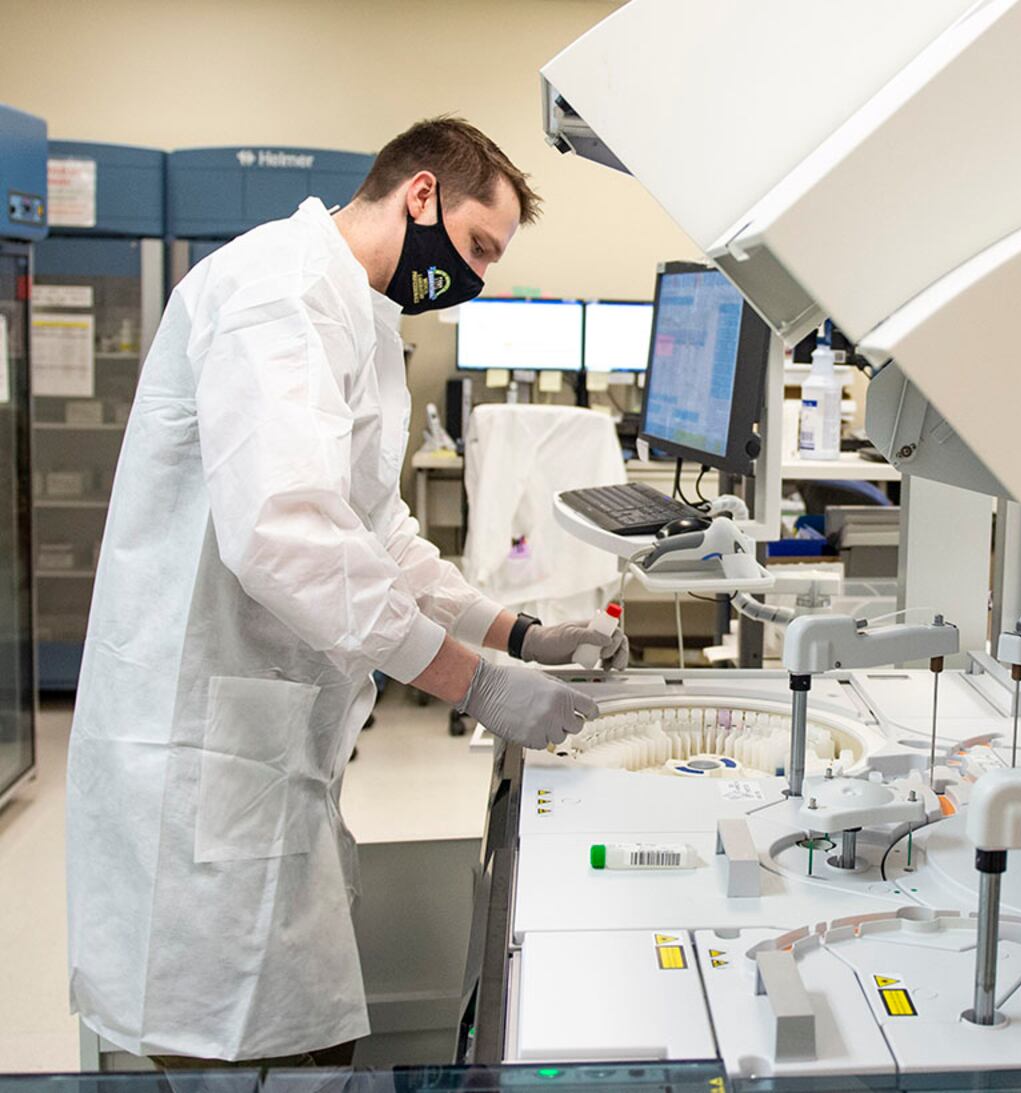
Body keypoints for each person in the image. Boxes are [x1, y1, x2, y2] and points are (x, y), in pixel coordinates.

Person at [64, 117, 626, 1068]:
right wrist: (475, 684)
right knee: (239, 1050)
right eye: (478, 247)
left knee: (292, 1040)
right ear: (420, 196)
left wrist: (518, 633)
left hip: (264, 746)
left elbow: (376, 533)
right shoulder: (276, 293)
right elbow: (288, 538)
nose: (478, 278)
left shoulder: (355, 312)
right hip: (203, 753)